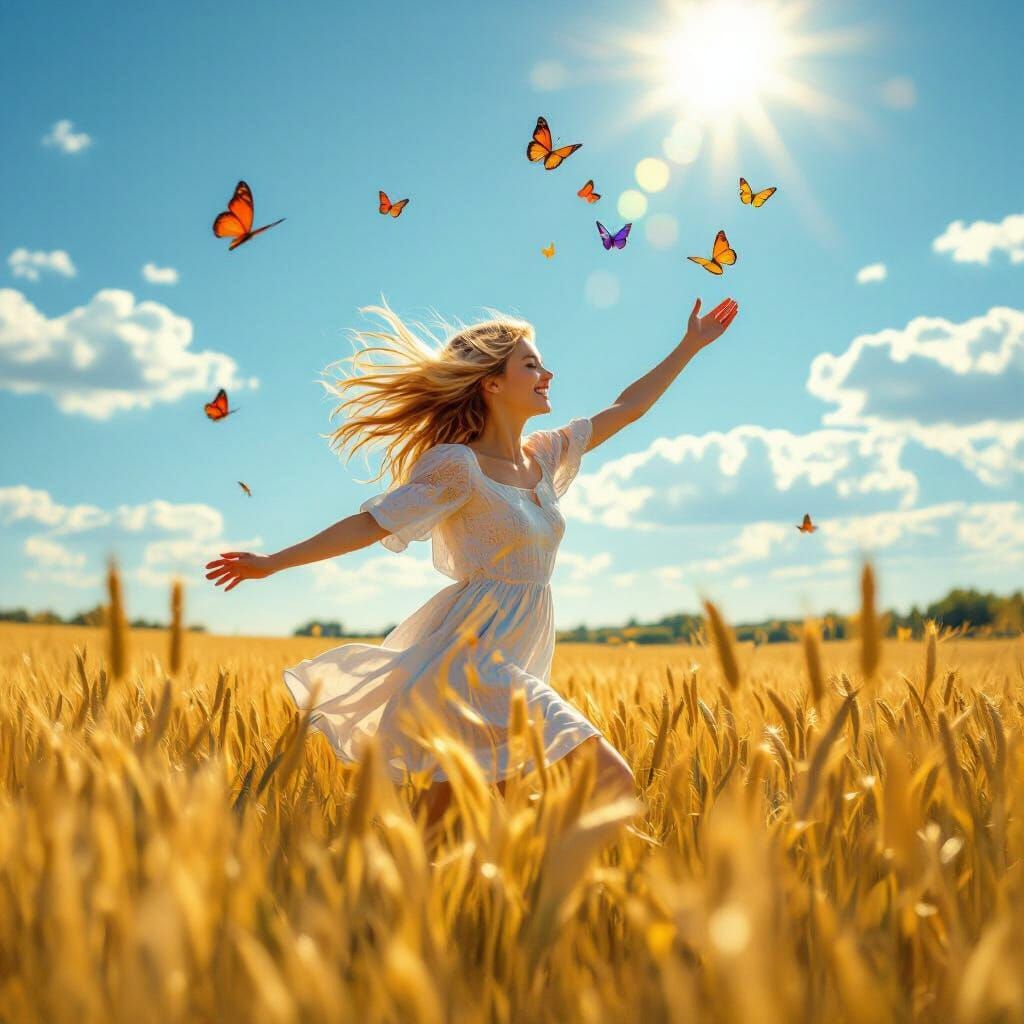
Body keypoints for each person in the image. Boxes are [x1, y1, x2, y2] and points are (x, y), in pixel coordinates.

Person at [204, 296, 739, 829]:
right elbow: (374, 523)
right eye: (531, 364)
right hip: (473, 664)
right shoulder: (458, 466)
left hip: (519, 656)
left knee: (447, 837)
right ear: (492, 383)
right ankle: (542, 909)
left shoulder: (543, 457)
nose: (547, 373)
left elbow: (627, 408)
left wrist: (689, 346)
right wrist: (274, 562)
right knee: (612, 783)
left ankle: (370, 905)